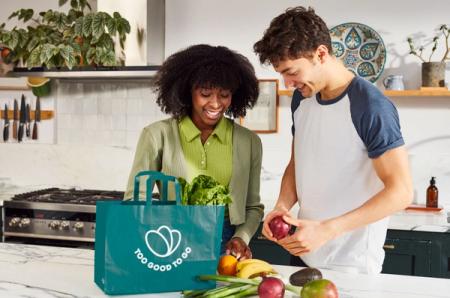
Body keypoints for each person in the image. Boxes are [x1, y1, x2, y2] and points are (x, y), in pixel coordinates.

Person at [253, 7, 413, 273]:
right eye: (282, 73)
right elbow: (297, 162)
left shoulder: (370, 105)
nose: (287, 83)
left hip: (351, 263)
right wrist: (282, 206)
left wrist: (328, 230)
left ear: (321, 54)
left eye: (292, 71)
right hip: (304, 252)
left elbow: (401, 192)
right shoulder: (302, 99)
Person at [124, 44, 264, 260]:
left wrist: (241, 238)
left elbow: (253, 206)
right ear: (187, 90)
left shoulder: (249, 142)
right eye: (205, 94)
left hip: (225, 241)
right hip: (168, 236)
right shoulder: (157, 135)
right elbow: (137, 198)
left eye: (224, 95)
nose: (215, 103)